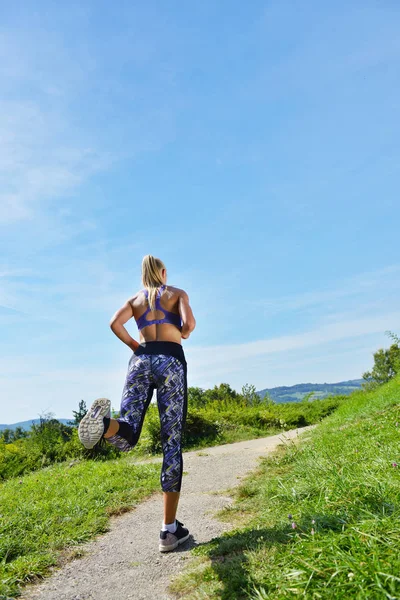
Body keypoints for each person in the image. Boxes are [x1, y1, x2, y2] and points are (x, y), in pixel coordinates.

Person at [78, 255, 196, 552]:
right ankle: (168, 531)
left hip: (140, 361)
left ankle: (103, 424)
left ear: (143, 275)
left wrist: (136, 346)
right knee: (171, 444)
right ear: (163, 272)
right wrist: (184, 332)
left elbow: (114, 323)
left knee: (127, 435)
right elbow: (189, 323)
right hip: (170, 361)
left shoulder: (134, 300)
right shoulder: (177, 294)